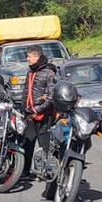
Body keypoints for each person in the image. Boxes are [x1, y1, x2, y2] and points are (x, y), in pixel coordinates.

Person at [21, 44, 57, 178]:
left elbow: (51, 97)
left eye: (29, 56)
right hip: (30, 115)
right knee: (27, 143)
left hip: (44, 116)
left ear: (37, 56)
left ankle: (49, 172)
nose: (27, 59)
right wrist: (23, 107)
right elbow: (26, 90)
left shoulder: (49, 72)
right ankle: (25, 171)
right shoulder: (30, 71)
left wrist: (38, 109)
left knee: (45, 145)